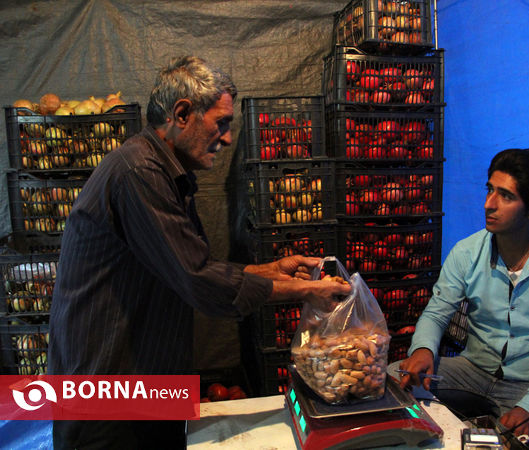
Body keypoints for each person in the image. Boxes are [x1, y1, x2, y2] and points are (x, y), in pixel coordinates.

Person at [48, 55, 351, 449]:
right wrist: (306, 291)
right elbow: (198, 279)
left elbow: (190, 267)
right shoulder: (139, 173)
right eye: (221, 123)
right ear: (183, 113)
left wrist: (274, 269)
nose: (227, 139)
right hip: (108, 393)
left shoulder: (166, 172)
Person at [398, 148, 529, 449]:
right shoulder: (467, 252)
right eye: (489, 190)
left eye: (506, 196)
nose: (488, 204)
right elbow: (437, 312)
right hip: (473, 372)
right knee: (394, 378)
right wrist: (423, 347)